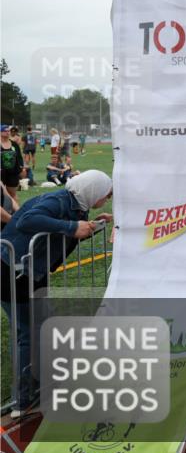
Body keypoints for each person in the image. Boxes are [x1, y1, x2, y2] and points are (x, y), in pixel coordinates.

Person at [1, 170, 112, 416]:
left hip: (30, 271)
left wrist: (91, 227)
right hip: (11, 270)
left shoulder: (77, 206)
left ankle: (42, 382)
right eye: (105, 195)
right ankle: (23, 399)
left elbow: (66, 236)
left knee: (44, 326)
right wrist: (72, 226)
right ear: (92, 190)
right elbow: (27, 220)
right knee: (28, 333)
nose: (106, 200)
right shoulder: (59, 201)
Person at [1, 125, 26, 200]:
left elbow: (19, 158)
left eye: (8, 131)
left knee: (12, 194)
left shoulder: (14, 144)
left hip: (12, 172)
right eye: (5, 131)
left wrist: (21, 168)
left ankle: (16, 211)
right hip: (1, 172)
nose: (7, 132)